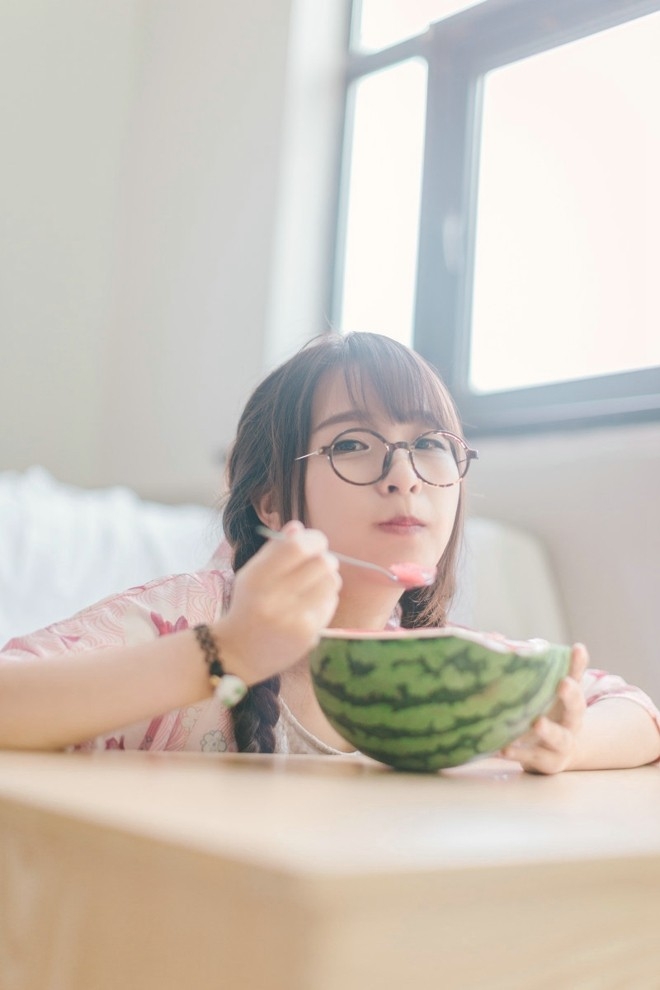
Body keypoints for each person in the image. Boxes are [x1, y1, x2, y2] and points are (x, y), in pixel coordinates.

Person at [1, 332, 659, 773]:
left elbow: (638, 714)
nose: (404, 474)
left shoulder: (443, 659)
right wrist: (225, 652)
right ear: (269, 503)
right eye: (352, 445)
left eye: (431, 445)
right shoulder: (198, 617)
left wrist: (566, 743)